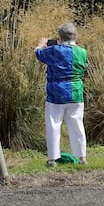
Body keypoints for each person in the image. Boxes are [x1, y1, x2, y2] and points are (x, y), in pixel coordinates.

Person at [35, 22, 88, 167]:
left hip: (56, 93)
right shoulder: (83, 52)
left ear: (60, 36)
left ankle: (52, 159)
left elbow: (38, 54)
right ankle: (82, 157)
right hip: (76, 92)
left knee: (53, 124)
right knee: (77, 124)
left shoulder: (55, 50)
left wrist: (41, 44)